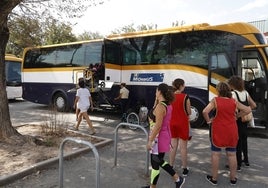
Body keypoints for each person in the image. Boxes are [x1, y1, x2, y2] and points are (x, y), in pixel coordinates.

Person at [202, 81, 251, 186]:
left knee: (216, 154)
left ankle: (214, 178)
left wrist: (209, 121)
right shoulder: (233, 101)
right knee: (232, 155)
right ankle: (233, 179)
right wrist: (237, 116)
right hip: (231, 130)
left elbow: (205, 111)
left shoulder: (215, 100)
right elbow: (247, 109)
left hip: (218, 130)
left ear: (218, 90)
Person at [142, 83, 185, 188]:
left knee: (156, 161)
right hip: (163, 135)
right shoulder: (166, 104)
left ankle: (177, 178)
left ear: (160, 92)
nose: (155, 92)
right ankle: (153, 186)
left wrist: (150, 141)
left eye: (156, 90)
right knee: (156, 163)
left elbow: (158, 126)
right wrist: (156, 100)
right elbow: (155, 112)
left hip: (158, 137)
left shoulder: (161, 106)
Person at [228, 76, 256, 170]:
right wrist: (246, 111)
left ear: (233, 85)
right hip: (245, 121)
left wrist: (238, 115)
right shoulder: (246, 93)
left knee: (237, 142)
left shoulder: (233, 94)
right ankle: (246, 161)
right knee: (244, 140)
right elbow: (254, 105)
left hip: (237, 121)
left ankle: (238, 164)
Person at [169, 78, 191, 177]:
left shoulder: (170, 97)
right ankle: (184, 169)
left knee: (173, 145)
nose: (184, 86)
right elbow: (189, 112)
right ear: (181, 85)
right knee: (183, 148)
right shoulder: (186, 97)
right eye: (184, 85)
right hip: (182, 124)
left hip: (172, 123)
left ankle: (171, 166)